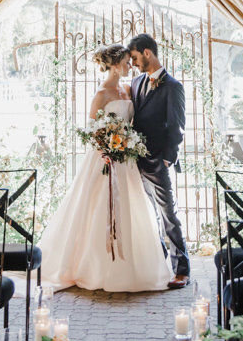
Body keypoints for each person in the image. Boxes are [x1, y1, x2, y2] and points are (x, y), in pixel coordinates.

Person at [39, 43, 172, 292]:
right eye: (124, 61)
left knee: (132, 208)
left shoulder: (127, 88)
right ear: (112, 64)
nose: (129, 65)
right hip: (106, 159)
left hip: (127, 159)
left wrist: (128, 143)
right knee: (99, 207)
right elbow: (91, 130)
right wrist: (106, 148)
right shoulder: (101, 94)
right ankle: (97, 266)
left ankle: (133, 267)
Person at [127, 33, 190, 289]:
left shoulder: (173, 86)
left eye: (134, 57)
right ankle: (160, 264)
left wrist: (167, 159)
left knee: (168, 214)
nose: (132, 63)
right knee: (148, 215)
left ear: (147, 53)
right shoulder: (136, 82)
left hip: (158, 161)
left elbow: (178, 126)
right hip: (136, 161)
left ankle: (182, 270)